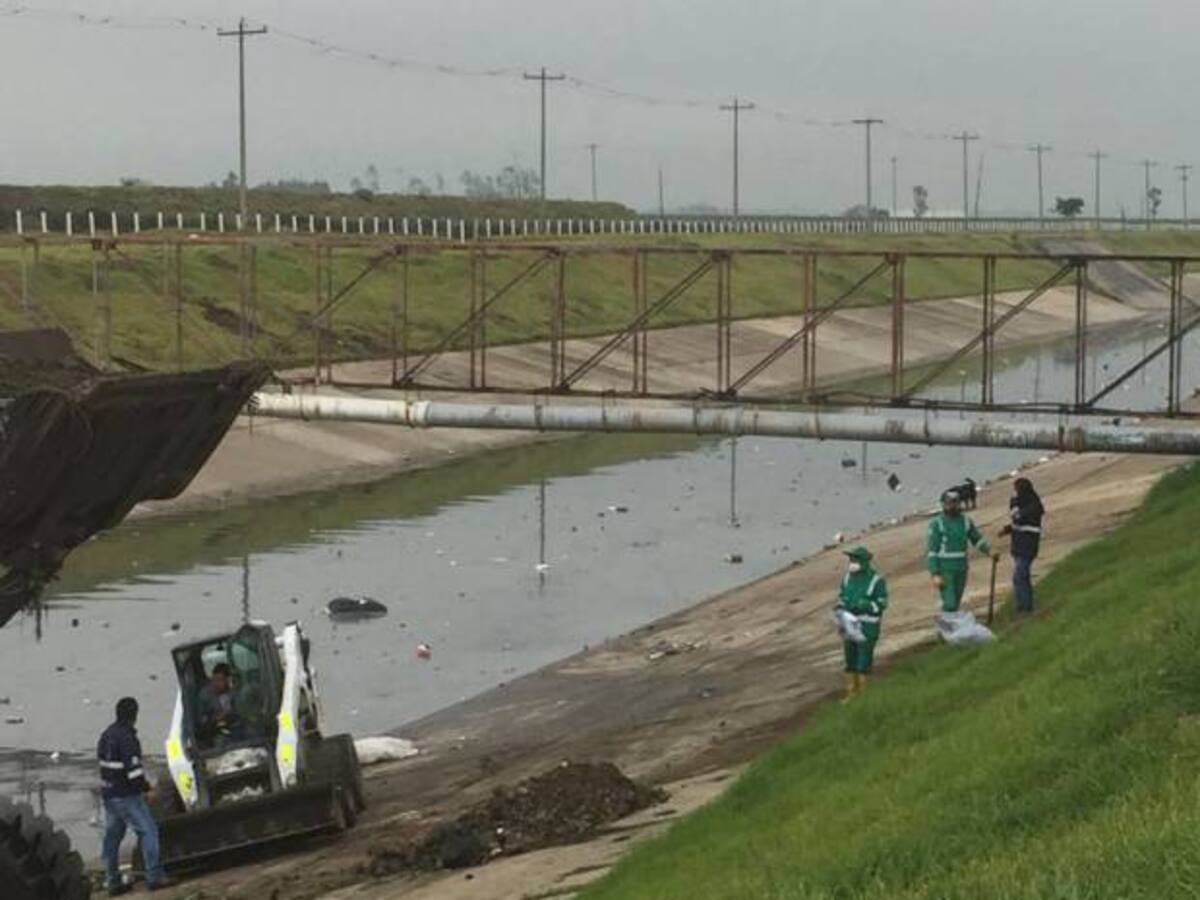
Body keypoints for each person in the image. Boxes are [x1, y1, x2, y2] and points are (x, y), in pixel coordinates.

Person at [97, 697, 173, 894]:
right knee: (148, 831)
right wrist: (147, 790)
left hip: (109, 794)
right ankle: (155, 876)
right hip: (126, 795)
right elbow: (134, 773)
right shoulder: (128, 738)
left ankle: (112, 881)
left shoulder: (106, 735)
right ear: (135, 715)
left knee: (113, 838)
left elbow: (104, 765)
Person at [927, 489, 999, 612]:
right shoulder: (936, 524)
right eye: (949, 503)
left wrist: (989, 550)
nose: (953, 506)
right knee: (950, 603)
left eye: (955, 503)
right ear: (943, 504)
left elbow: (977, 539)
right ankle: (947, 625)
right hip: (945, 569)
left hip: (961, 567)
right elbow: (932, 550)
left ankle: (951, 626)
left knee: (956, 602)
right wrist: (935, 574)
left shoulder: (966, 521)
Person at [834, 546, 888, 700]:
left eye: (855, 559)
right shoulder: (847, 577)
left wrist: (867, 605)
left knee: (864, 658)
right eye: (851, 559)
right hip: (849, 622)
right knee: (849, 656)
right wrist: (840, 605)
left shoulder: (877, 580)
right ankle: (851, 692)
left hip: (868, 624)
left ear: (864, 561)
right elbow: (842, 595)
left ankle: (864, 693)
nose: (852, 562)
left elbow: (882, 603)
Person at [999, 477, 1044, 613]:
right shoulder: (1022, 504)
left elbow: (1019, 518)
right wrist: (1007, 530)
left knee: (1019, 576)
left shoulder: (1034, 505)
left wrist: (1015, 506)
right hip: (1018, 544)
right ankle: (1024, 605)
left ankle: (1023, 607)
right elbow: (1016, 522)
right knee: (1022, 577)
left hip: (1028, 545)